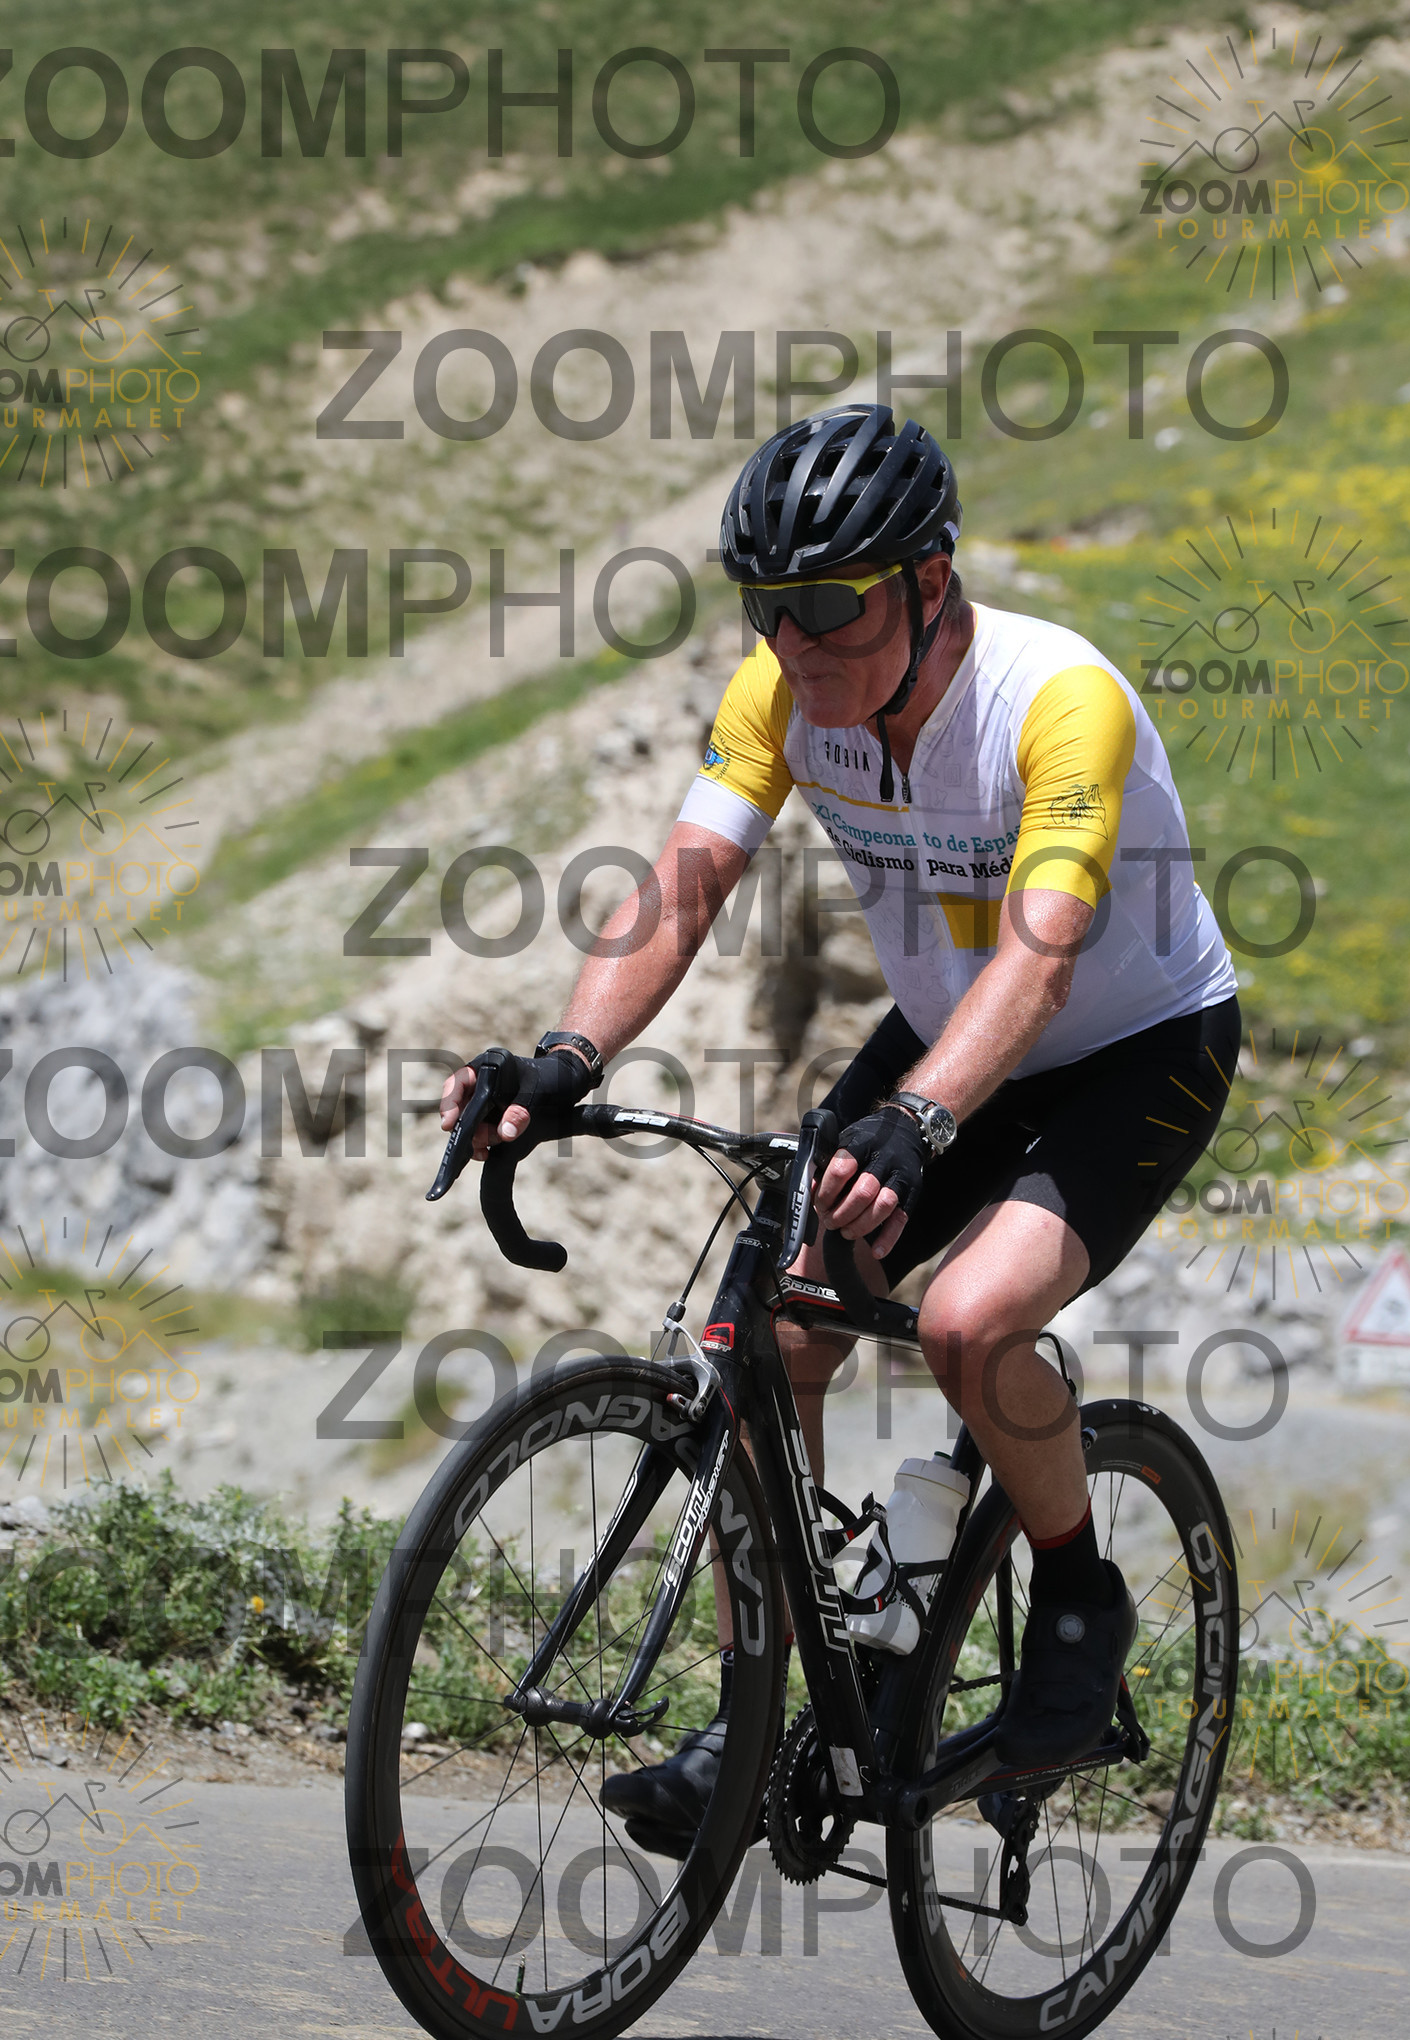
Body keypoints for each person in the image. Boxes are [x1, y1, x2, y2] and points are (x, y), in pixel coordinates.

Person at [439, 402, 1239, 1853]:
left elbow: (1043, 957)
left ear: (930, 581)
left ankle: (1078, 1598)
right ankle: (761, 1712)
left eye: (829, 606)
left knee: (970, 1323)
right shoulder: (784, 696)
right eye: (768, 608)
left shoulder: (1060, 700)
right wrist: (565, 1054)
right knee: (765, 1334)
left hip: (1131, 1047)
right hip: (946, 1033)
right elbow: (684, 886)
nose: (796, 643)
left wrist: (922, 1121)